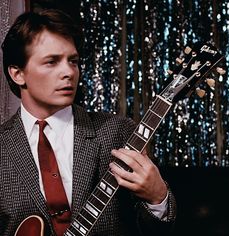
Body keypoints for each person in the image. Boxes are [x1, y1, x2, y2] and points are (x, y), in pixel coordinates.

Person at [0, 9, 176, 236]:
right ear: (18, 74)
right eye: (52, 62)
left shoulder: (118, 132)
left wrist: (157, 197)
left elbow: (153, 231)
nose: (69, 72)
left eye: (73, 61)